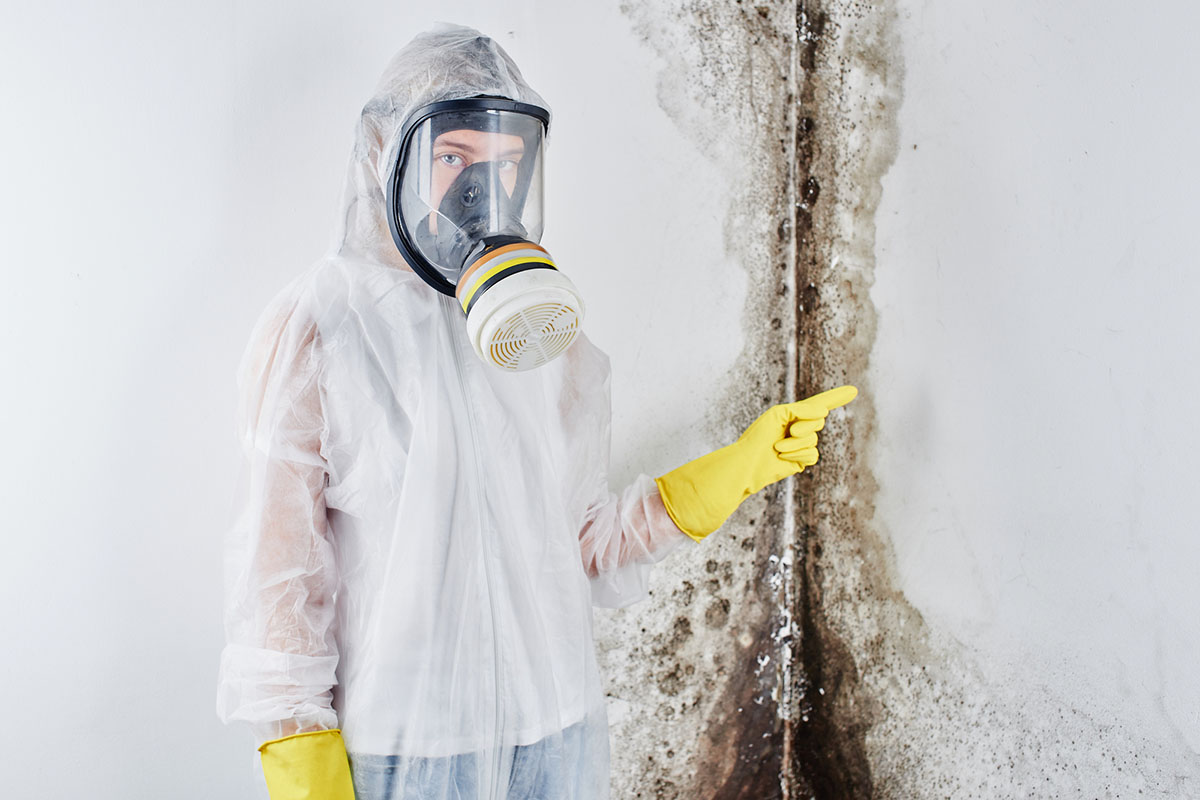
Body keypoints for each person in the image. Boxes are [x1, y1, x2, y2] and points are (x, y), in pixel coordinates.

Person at [216, 23, 856, 800]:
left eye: (506, 164)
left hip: (558, 734)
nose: (479, 195)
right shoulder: (316, 329)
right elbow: (279, 585)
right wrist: (303, 764)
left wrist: (730, 471)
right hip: (405, 754)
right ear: (384, 152)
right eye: (452, 158)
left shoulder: (538, 334)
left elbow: (579, 544)